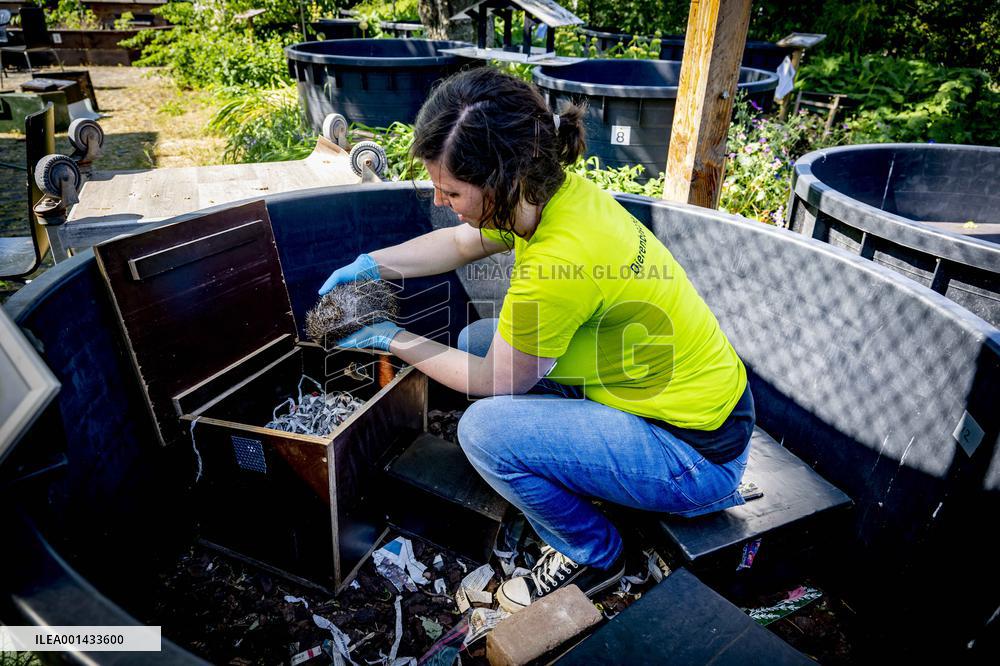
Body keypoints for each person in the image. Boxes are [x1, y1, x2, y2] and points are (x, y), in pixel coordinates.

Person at [319, 67, 755, 613]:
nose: (438, 199)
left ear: (500, 181)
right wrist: (372, 266)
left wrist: (392, 338)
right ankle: (583, 478)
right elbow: (458, 242)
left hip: (696, 457)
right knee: (480, 337)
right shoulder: (549, 196)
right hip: (686, 403)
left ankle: (594, 553)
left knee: (483, 431)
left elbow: (492, 381)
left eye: (450, 189)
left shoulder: (557, 263)